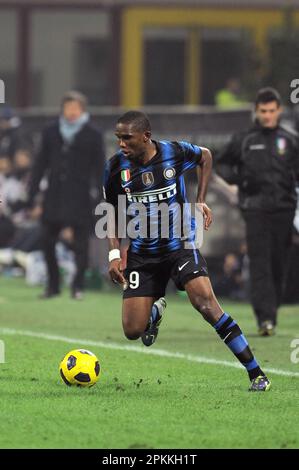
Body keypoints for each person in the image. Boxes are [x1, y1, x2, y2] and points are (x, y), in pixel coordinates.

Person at [103, 110, 271, 392]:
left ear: (146, 137)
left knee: (206, 304)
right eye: (118, 137)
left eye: (127, 138)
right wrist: (114, 253)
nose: (121, 144)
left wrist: (201, 200)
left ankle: (256, 373)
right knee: (133, 331)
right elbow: (112, 212)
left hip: (179, 246)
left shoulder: (174, 152)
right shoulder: (115, 167)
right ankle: (153, 314)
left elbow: (205, 156)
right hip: (143, 255)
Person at [216, 87, 299, 336]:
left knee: (278, 264)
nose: (267, 115)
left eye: (272, 111)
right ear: (256, 112)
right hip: (255, 209)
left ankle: (270, 312)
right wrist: (238, 180)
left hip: (284, 209)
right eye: (263, 111)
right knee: (260, 262)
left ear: (279, 111)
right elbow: (221, 162)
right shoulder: (244, 139)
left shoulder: (291, 140)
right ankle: (265, 318)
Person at [28, 90, 105, 299]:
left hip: (80, 196)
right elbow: (39, 165)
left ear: (82, 110)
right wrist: (32, 193)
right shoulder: (51, 131)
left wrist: (101, 196)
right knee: (46, 240)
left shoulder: (93, 134)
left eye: (75, 108)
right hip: (54, 195)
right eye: (68, 108)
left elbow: (100, 168)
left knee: (81, 244)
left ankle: (77, 286)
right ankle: (53, 285)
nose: (71, 112)